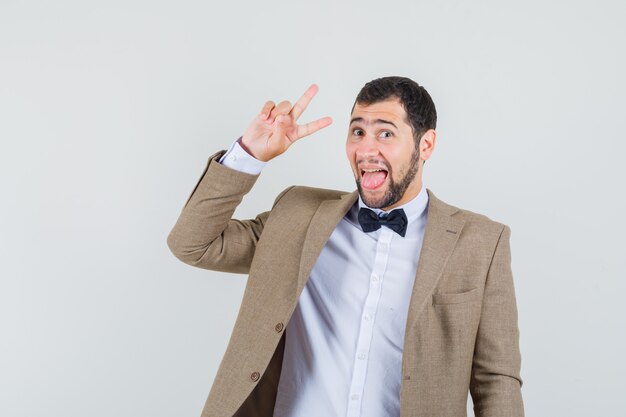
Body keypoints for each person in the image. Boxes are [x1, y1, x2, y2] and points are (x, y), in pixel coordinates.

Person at [167, 76, 524, 417]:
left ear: (425, 144)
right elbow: (193, 244)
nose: (366, 149)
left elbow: (496, 380)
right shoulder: (298, 214)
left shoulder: (481, 242)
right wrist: (248, 155)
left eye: (385, 133)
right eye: (357, 131)